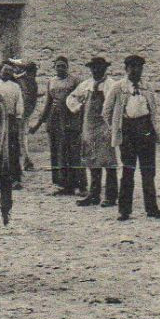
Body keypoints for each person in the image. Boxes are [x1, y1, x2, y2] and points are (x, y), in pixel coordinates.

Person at [105, 54, 160, 221]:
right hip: (128, 132)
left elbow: (154, 111)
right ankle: (124, 210)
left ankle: (152, 209)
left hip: (146, 131)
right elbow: (107, 111)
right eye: (132, 67)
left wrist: (157, 131)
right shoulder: (118, 87)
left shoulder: (147, 87)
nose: (135, 70)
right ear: (126, 69)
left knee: (148, 171)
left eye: (139, 67)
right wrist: (116, 128)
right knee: (128, 170)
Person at [68, 56, 121, 206]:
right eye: (94, 67)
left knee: (108, 161)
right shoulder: (86, 85)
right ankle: (94, 195)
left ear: (105, 69)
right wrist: (78, 107)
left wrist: (113, 125)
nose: (96, 70)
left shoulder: (112, 85)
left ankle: (111, 196)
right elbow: (71, 98)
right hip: (89, 126)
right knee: (92, 160)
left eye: (100, 67)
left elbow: (118, 105)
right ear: (90, 69)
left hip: (105, 126)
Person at [27, 55, 82, 193]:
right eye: (58, 66)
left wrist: (79, 121)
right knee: (57, 152)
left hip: (70, 118)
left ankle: (78, 184)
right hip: (54, 119)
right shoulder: (51, 81)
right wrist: (37, 124)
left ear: (67, 67)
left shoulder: (74, 81)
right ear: (54, 67)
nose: (60, 68)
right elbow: (47, 104)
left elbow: (80, 101)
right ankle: (60, 184)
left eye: (63, 66)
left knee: (72, 152)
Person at [0, 65, 25, 225]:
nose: (5, 74)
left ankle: (14, 177)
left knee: (11, 149)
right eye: (4, 71)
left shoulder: (15, 87)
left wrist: (18, 117)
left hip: (9, 118)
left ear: (11, 75)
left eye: (8, 72)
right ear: (0, 72)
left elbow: (19, 104)